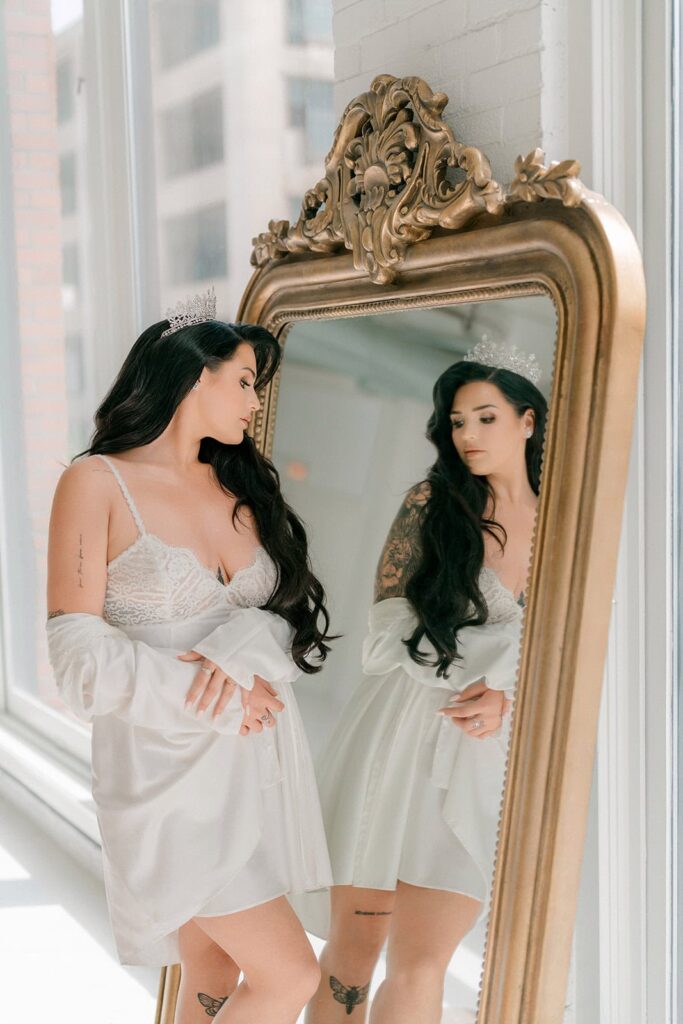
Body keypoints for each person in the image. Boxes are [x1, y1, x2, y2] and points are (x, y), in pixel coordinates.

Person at [46, 287, 336, 1024]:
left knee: (205, 987)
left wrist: (240, 653)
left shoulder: (240, 487)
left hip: (252, 769)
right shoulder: (96, 481)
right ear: (193, 375)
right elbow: (78, 656)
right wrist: (221, 693)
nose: (252, 403)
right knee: (290, 977)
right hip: (164, 775)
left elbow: (277, 620)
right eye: (243, 381)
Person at [301, 342, 548, 1024]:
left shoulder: (568, 520)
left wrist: (510, 690)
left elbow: (577, 644)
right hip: (399, 734)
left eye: (485, 418)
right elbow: (385, 627)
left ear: (527, 422)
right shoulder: (433, 502)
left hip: (483, 755)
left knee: (422, 966)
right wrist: (482, 667)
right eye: (458, 420)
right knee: (351, 958)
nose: (467, 434)